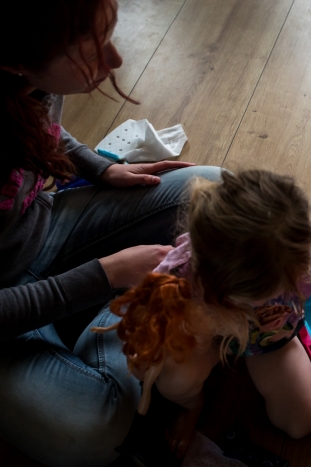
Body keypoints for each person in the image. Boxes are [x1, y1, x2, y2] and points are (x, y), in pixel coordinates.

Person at [0, 1, 221, 465]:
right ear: (14, 58)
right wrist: (106, 275)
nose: (115, 60)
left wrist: (101, 168)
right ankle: (121, 314)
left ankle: (119, 311)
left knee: (217, 190)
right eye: (91, 51)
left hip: (46, 228)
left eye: (107, 37)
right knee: (93, 424)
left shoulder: (22, 71)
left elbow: (41, 124)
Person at [99, 170, 311, 457]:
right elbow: (146, 327)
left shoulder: (305, 251)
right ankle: (194, 405)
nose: (299, 278)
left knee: (300, 423)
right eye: (274, 291)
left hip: (269, 341)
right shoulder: (183, 274)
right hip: (208, 338)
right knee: (172, 380)